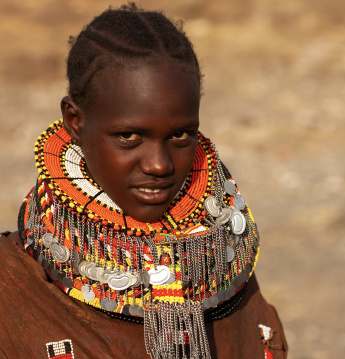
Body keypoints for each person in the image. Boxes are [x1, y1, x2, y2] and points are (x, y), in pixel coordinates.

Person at [0, 4, 287, 359]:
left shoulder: (220, 266)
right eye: (129, 136)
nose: (159, 165)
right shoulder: (12, 288)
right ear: (74, 121)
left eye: (181, 134)